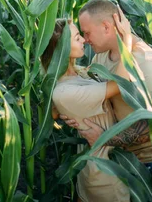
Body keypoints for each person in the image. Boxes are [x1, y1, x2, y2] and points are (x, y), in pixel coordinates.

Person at [60, 0, 152, 202]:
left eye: (87, 32)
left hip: (144, 167)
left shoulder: (146, 62)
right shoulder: (100, 57)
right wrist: (73, 115)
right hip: (114, 161)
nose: (85, 39)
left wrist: (104, 137)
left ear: (107, 27)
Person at [42, 18, 132, 202]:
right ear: (62, 50)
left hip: (99, 168)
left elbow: (54, 112)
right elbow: (120, 85)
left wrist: (60, 113)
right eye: (77, 38)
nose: (83, 40)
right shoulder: (64, 92)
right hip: (105, 177)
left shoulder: (79, 72)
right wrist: (127, 40)